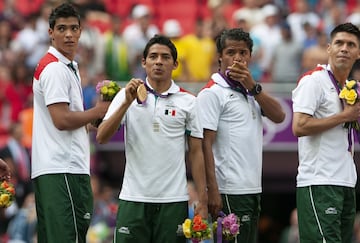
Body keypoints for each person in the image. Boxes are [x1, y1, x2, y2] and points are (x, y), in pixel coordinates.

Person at [96, 34, 208, 243]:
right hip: (133, 199)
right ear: (143, 62)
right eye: (153, 56)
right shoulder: (124, 95)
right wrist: (126, 103)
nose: (158, 61)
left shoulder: (189, 101)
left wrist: (202, 199)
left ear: (175, 64)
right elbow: (102, 137)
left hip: (173, 201)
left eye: (165, 57)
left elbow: (196, 152)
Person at [196, 28, 285, 243]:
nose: (237, 58)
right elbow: (204, 144)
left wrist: (253, 86)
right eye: (231, 52)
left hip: (252, 188)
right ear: (220, 57)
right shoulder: (212, 93)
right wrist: (212, 190)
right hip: (228, 190)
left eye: (243, 53)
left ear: (250, 57)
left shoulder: (251, 92)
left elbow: (279, 116)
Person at [31, 3, 109, 243]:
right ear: (50, 33)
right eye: (62, 28)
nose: (68, 34)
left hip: (60, 167)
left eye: (73, 28)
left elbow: (72, 121)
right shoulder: (55, 68)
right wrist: (98, 110)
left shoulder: (67, 67)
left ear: (81, 31)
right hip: (61, 168)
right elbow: (62, 120)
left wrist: (99, 114)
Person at [292, 22, 360, 242]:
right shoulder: (314, 81)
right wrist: (344, 116)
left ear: (358, 53)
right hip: (319, 181)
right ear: (329, 48)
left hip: (346, 182)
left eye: (351, 45)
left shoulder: (353, 87)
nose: (344, 48)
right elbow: (299, 126)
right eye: (339, 43)